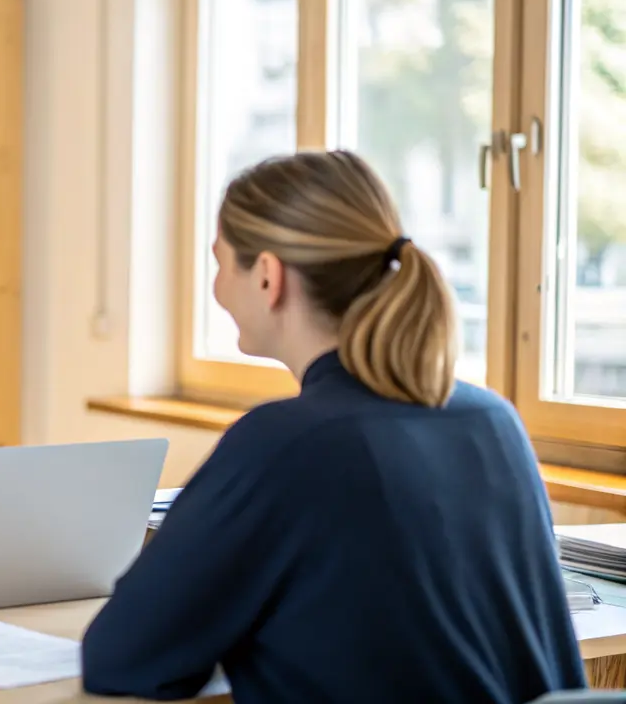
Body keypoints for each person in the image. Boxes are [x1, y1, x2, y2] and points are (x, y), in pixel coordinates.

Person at [81, 150, 586, 702]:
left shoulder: (287, 443)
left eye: (221, 263)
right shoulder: (493, 421)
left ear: (269, 276)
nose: (217, 287)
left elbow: (122, 657)